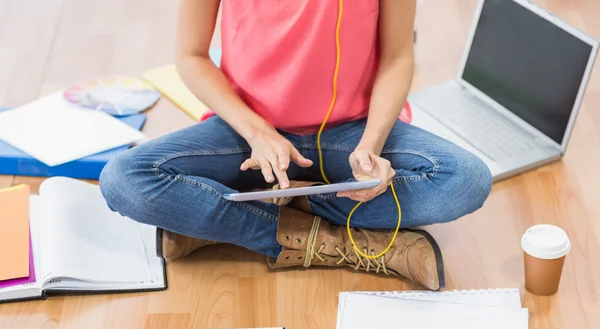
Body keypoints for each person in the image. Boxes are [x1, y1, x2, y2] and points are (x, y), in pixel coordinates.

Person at [99, 0, 492, 291]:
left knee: (466, 180)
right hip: (248, 133)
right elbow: (191, 56)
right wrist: (257, 132)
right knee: (124, 179)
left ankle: (239, 217)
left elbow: (398, 56)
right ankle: (339, 240)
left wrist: (372, 145)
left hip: (352, 131)